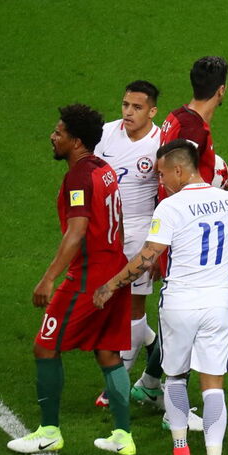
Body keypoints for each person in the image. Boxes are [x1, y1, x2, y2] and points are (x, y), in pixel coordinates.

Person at [94, 139, 228, 455]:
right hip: (217, 304)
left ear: (179, 169)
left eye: (163, 174)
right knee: (213, 388)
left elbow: (147, 258)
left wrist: (111, 286)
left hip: (179, 306)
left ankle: (181, 452)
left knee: (175, 378)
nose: (162, 181)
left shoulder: (171, 208)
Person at [7, 104, 136, 455]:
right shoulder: (105, 169)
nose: (52, 136)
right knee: (108, 352)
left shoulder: (79, 176)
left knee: (45, 346)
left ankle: (49, 431)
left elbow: (77, 231)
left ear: (76, 141)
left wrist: (49, 278)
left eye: (59, 132)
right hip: (115, 268)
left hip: (89, 275)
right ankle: (123, 436)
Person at [131, 56, 228, 406]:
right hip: (186, 237)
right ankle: (174, 410)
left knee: (181, 318)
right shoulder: (193, 131)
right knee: (189, 320)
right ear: (222, 90)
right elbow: (170, 184)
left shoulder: (178, 116)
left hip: (179, 230)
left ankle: (149, 382)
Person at [90, 81, 162, 408]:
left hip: (140, 233)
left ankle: (120, 376)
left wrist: (161, 249)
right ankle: (152, 344)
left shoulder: (160, 142)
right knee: (108, 300)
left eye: (136, 107)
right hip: (106, 232)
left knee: (132, 306)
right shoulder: (105, 134)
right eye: (125, 105)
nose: (128, 113)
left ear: (152, 111)